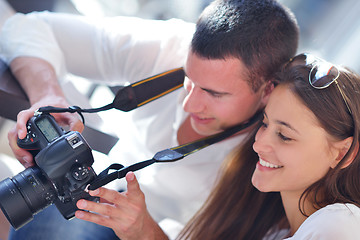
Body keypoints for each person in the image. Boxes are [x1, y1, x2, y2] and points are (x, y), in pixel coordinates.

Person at [0, 0, 299, 239]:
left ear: (266, 90)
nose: (190, 102)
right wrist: (48, 96)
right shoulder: (172, 48)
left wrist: (144, 231)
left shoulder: (273, 159)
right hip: (92, 194)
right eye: (189, 79)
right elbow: (26, 27)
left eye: (214, 93)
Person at [170, 53, 360, 239]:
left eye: (284, 136)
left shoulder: (338, 224)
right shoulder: (276, 231)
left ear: (341, 153)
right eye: (265, 124)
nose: (258, 145)